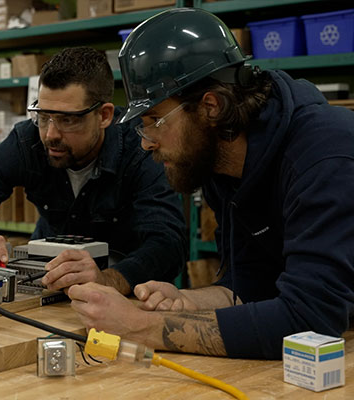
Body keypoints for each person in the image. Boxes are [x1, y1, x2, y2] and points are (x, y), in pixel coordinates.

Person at [68, 8, 354, 360]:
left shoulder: (325, 157)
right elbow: (251, 284)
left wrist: (139, 327)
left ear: (211, 107)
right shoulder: (223, 163)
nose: (146, 142)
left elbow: (311, 319)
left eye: (155, 120)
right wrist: (186, 302)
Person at [0, 47, 187, 295]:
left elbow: (167, 243)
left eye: (67, 120)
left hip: (127, 295)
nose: (50, 134)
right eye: (44, 116)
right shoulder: (27, 143)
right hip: (48, 286)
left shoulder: (140, 148)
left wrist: (109, 279)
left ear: (104, 116)